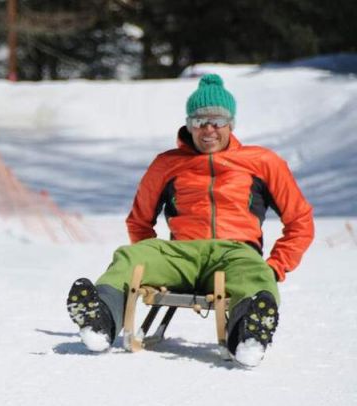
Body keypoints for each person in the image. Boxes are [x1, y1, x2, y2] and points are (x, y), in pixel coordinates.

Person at [66, 73, 314, 367]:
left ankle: (248, 335)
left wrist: (275, 267)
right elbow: (139, 220)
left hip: (234, 253)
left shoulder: (262, 162)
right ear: (188, 124)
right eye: (199, 121)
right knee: (130, 257)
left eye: (217, 121)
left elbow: (300, 220)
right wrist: (155, 259)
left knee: (255, 274)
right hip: (180, 254)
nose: (208, 129)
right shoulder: (167, 164)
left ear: (230, 124)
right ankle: (100, 319)